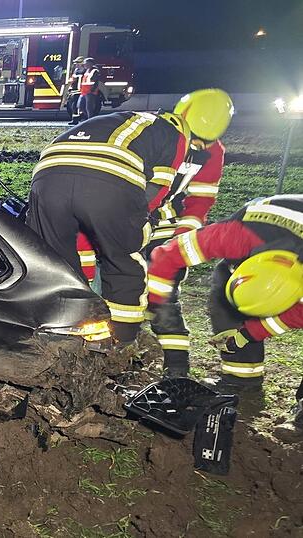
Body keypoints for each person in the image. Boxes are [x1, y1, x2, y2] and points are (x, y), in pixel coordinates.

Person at [75, 90, 235, 372]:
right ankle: (111, 348)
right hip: (127, 219)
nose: (195, 146)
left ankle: (175, 368)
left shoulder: (212, 152)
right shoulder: (158, 134)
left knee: (161, 297)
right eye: (194, 138)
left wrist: (180, 238)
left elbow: (200, 200)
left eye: (202, 142)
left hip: (164, 227)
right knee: (114, 287)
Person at [27, 109, 193, 344]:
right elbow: (158, 188)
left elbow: (81, 232)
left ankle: (60, 331)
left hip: (47, 176)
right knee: (123, 261)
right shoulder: (175, 135)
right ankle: (121, 341)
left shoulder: (115, 119)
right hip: (108, 178)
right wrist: (138, 222)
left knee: (55, 262)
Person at [147, 195, 303, 441]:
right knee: (222, 299)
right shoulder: (234, 236)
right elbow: (167, 256)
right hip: (258, 231)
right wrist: (159, 305)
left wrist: (250, 332)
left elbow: (297, 315)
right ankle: (241, 379)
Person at [77, 57, 101, 122]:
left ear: (90, 64)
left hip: (90, 92)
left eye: (85, 63)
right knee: (80, 106)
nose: (84, 64)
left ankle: (91, 120)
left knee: (89, 108)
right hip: (84, 91)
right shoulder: (86, 70)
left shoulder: (94, 71)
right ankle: (88, 118)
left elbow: (96, 82)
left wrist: (92, 90)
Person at [65, 56, 86, 125]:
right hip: (74, 90)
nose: (76, 64)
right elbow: (73, 80)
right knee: (72, 106)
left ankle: (82, 119)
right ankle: (75, 120)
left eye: (77, 63)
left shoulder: (84, 70)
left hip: (81, 91)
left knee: (79, 106)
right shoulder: (76, 70)